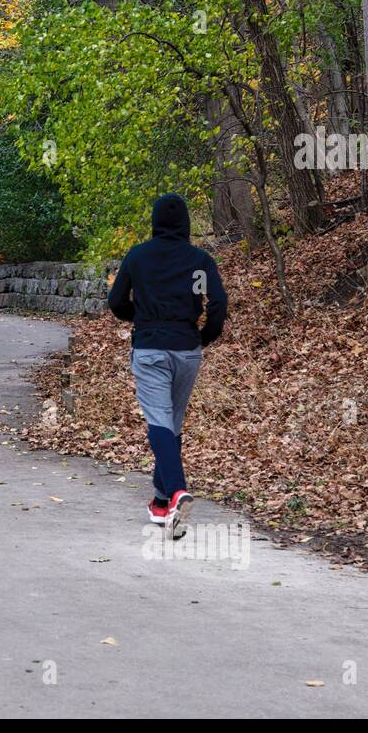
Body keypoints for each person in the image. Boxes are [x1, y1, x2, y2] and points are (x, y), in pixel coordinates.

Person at [107, 193, 228, 535]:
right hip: (186, 348)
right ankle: (161, 502)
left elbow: (116, 301)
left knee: (160, 420)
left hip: (150, 349)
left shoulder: (139, 257)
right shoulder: (198, 262)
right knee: (171, 422)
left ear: (155, 220)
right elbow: (216, 302)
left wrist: (140, 317)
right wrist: (205, 336)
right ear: (186, 222)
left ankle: (176, 491)